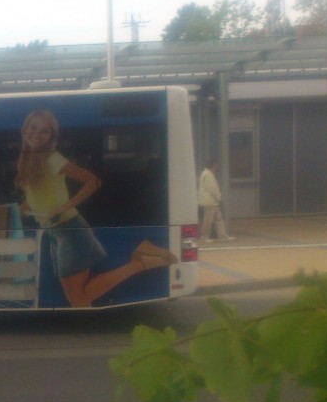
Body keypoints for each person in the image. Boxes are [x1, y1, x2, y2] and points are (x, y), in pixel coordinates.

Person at [14, 109, 174, 308]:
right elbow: (37, 197)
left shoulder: (52, 158)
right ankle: (142, 252)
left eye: (45, 130)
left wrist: (62, 207)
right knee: (78, 298)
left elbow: (92, 181)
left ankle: (140, 263)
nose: (38, 134)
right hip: (58, 231)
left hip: (68, 229)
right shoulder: (29, 160)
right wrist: (15, 210)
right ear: (24, 129)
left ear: (51, 136)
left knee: (78, 299)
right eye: (33, 127)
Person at [198, 159, 234, 242]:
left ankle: (222, 236)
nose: (217, 167)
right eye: (216, 165)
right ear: (212, 165)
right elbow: (212, 189)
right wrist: (219, 197)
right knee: (209, 219)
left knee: (218, 219)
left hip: (212, 201)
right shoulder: (207, 174)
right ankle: (204, 237)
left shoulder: (207, 174)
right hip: (210, 201)